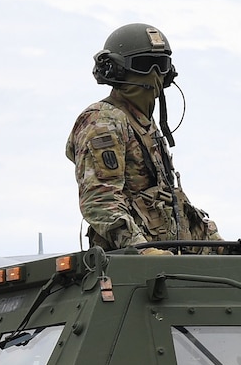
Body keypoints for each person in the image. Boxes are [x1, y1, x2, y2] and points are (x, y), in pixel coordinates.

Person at [66, 23, 219, 251]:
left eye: (161, 65)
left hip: (169, 259)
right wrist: (141, 251)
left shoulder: (145, 124)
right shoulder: (103, 121)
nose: (155, 74)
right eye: (144, 65)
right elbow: (101, 201)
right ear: (116, 70)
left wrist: (218, 247)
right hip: (133, 269)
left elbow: (167, 203)